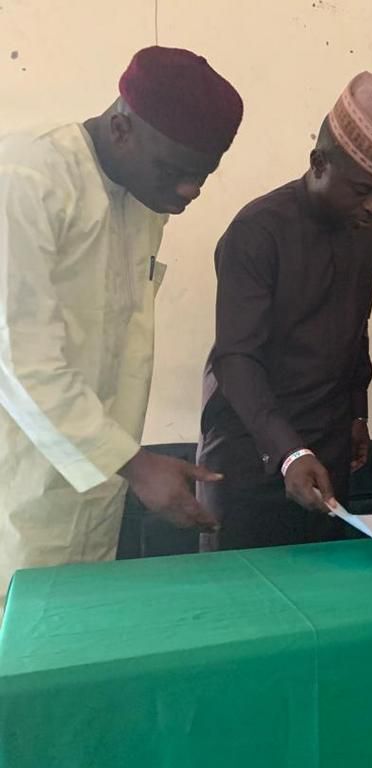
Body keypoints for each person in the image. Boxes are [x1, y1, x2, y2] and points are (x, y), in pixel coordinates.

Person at [0, 46, 242, 614]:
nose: (190, 192)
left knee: (76, 649)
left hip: (96, 483)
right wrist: (136, 464)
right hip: (18, 486)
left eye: (202, 177)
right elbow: (19, 354)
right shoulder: (26, 179)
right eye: (176, 172)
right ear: (119, 127)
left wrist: (123, 465)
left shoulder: (142, 202)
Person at [197, 72, 372, 550]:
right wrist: (288, 451)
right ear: (319, 163)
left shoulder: (369, 235)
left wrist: (357, 414)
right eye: (362, 190)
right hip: (250, 452)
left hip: (326, 453)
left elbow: (353, 331)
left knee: (321, 599)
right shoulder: (257, 232)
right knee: (242, 604)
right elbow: (236, 359)